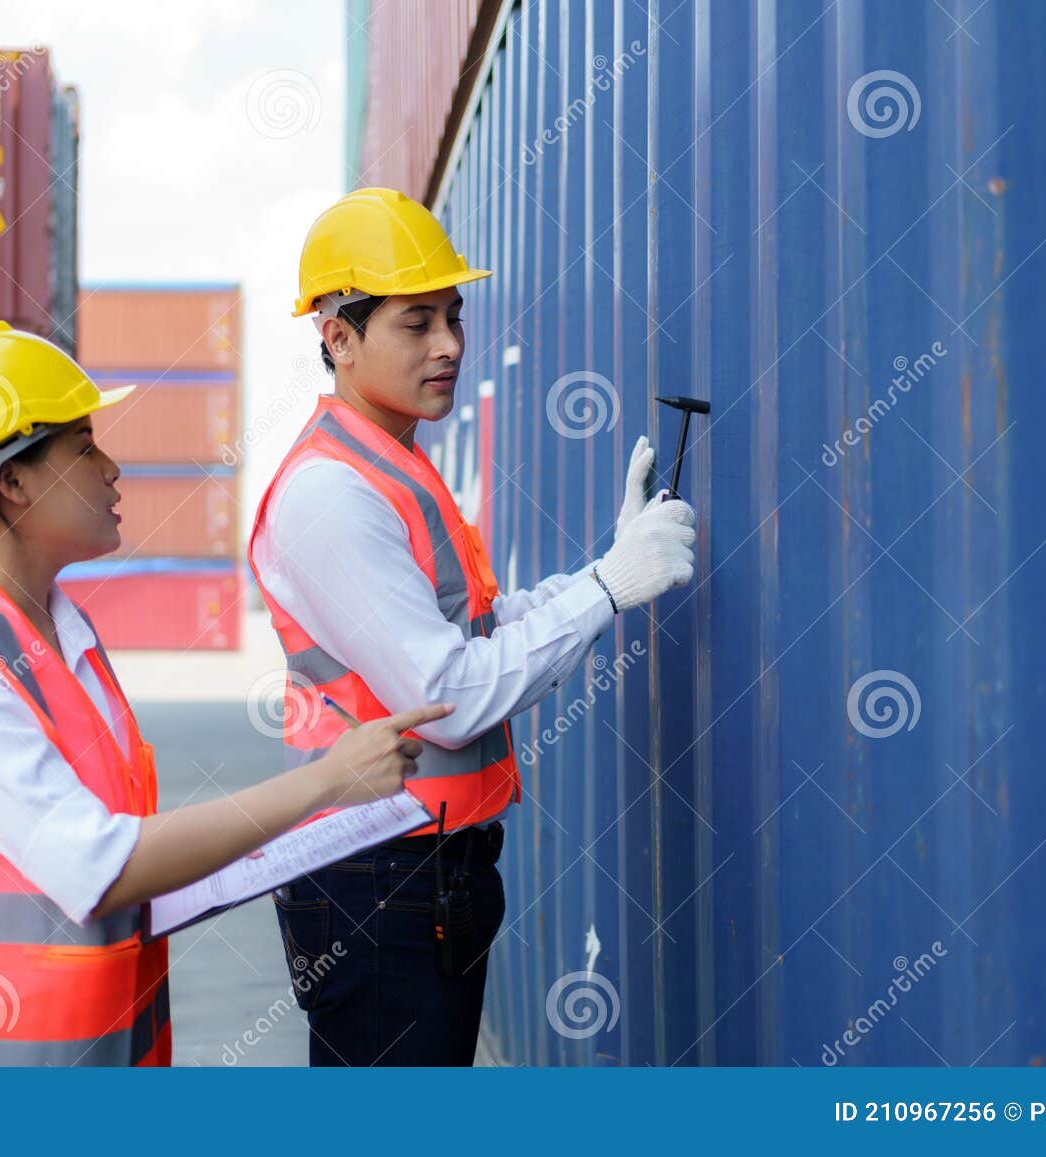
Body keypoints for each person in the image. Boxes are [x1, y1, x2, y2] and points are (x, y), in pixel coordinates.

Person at [0, 320, 452, 1066]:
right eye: (84, 447)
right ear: (9, 481)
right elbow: (102, 864)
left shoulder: (62, 638)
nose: (113, 469)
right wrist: (328, 779)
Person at [248, 188, 699, 1066]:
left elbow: (471, 630)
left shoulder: (391, 462)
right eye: (417, 323)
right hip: (379, 878)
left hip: (419, 871)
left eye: (454, 315)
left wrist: (603, 567)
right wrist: (607, 588)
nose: (450, 344)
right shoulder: (330, 494)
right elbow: (448, 697)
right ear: (337, 337)